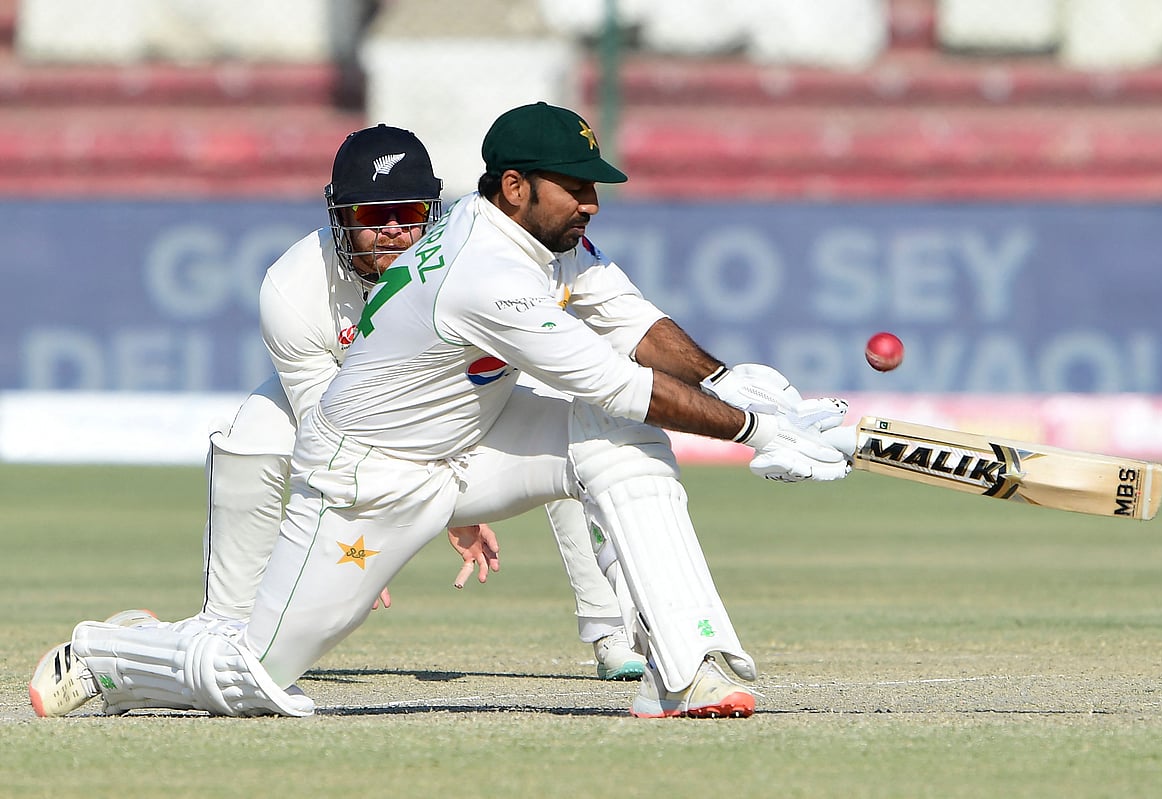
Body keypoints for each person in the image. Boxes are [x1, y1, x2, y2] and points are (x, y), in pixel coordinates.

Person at [29, 102, 852, 721]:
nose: (591, 205)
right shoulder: (481, 272)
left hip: (475, 438)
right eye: (576, 191)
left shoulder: (540, 240)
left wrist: (733, 378)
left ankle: (691, 665)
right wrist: (753, 430)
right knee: (253, 675)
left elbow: (628, 320)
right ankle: (111, 650)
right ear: (517, 187)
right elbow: (612, 377)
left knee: (617, 441)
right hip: (371, 482)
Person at [113, 124, 645, 680]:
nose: (394, 231)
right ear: (340, 218)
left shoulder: (474, 260)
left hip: (466, 400)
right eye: (372, 216)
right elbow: (326, 427)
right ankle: (221, 622)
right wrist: (357, 531)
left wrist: (453, 507)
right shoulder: (292, 287)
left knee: (576, 425)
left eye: (410, 212)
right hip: (354, 425)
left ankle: (608, 630)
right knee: (253, 432)